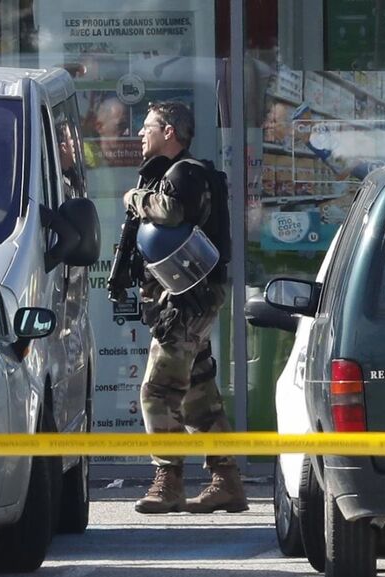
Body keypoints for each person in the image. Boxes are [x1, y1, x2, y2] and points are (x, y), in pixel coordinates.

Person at [122, 101, 249, 514]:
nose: (141, 134)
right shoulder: (188, 173)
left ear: (170, 132)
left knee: (157, 390)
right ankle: (226, 481)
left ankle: (168, 481)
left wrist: (136, 197)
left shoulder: (184, 173)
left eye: (148, 127)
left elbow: (170, 211)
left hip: (186, 301)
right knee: (198, 392)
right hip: (191, 297)